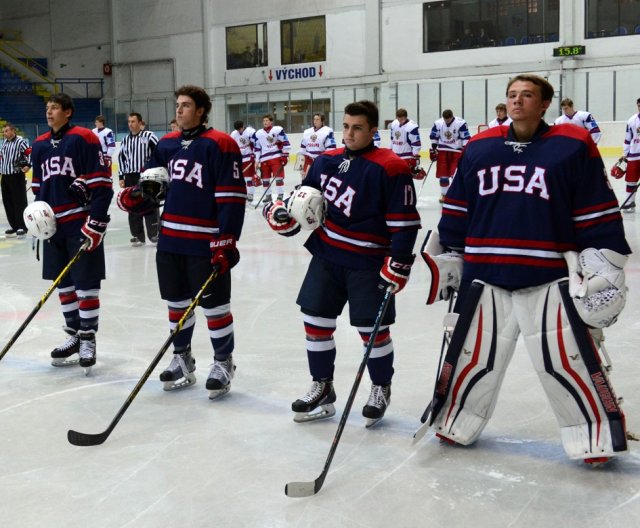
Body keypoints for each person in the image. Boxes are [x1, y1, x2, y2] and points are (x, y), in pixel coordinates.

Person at [421, 74, 630, 465]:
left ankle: (594, 434)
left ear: (545, 103)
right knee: (472, 358)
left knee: (565, 361)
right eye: (512, 95)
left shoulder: (571, 145)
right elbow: (458, 208)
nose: (517, 102)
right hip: (485, 272)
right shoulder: (480, 147)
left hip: (549, 275)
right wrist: (449, 252)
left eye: (527, 95)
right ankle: (455, 420)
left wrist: (607, 256)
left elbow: (594, 208)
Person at [263, 100, 421, 426]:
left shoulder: (391, 167)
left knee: (371, 330)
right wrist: (282, 214)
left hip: (368, 263)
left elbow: (405, 223)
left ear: (373, 131)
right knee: (316, 321)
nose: (349, 133)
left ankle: (380, 386)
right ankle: (322, 386)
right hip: (327, 256)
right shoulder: (326, 161)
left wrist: (400, 262)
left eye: (357, 128)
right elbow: (302, 199)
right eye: (346, 126)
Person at [117, 85, 245, 399]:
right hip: (171, 239)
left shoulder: (221, 144)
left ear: (201, 110)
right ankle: (182, 357)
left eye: (186, 105)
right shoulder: (166, 145)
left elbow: (231, 197)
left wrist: (226, 241)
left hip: (204, 242)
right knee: (177, 305)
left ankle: (223, 361)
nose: (179, 110)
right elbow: (154, 191)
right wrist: (137, 198)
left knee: (215, 307)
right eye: (177, 105)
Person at [29, 93, 113, 371]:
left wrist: (97, 221)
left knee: (86, 284)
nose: (49, 112)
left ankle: (88, 338)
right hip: (53, 226)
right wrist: (37, 217)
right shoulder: (39, 145)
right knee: (62, 283)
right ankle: (74, 335)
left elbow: (102, 182)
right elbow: (38, 187)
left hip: (80, 223)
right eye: (47, 108)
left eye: (54, 108)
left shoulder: (84, 138)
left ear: (68, 112)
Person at [118, 112, 160, 246]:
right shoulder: (125, 140)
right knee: (132, 205)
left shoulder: (149, 136)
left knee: (150, 204)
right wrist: (121, 176)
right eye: (129, 122)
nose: (131, 124)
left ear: (140, 123)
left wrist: (155, 169)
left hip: (147, 175)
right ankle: (137, 235)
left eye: (133, 121)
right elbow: (122, 159)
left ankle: (154, 234)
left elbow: (158, 152)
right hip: (130, 176)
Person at [429, 109, 470, 200]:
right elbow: (434, 135)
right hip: (443, 150)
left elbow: (466, 137)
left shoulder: (461, 123)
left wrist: (464, 149)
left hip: (456, 151)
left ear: (452, 116)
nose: (446, 121)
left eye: (448, 119)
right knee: (443, 175)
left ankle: (458, 194)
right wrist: (434, 146)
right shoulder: (438, 123)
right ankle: (444, 194)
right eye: (445, 119)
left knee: (455, 174)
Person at [252, 114, 291, 203]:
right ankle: (268, 196)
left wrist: (285, 155)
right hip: (264, 159)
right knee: (265, 179)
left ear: (271, 122)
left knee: (279, 178)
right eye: (264, 121)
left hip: (276, 157)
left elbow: (285, 142)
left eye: (267, 121)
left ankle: (280, 195)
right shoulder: (258, 134)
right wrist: (257, 161)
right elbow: (257, 149)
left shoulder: (277, 130)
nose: (265, 122)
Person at [0, 122, 30, 237]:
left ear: (13, 131)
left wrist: (28, 165)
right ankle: (14, 226)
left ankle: (23, 226)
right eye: (3, 131)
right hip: (5, 176)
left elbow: (29, 153)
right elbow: (2, 159)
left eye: (6, 131)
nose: (4, 133)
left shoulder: (20, 142)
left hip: (16, 176)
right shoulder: (4, 144)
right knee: (8, 202)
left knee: (19, 202)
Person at [611, 97, 640, 212]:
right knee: (631, 180)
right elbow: (628, 139)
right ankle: (630, 202)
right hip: (634, 155)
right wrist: (625, 154)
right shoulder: (632, 120)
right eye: (639, 106)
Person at [298, 113, 336, 177]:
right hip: (308, 159)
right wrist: (300, 165)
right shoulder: (307, 132)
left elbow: (331, 148)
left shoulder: (327, 131)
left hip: (320, 160)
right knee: (305, 179)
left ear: (322, 121)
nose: (315, 121)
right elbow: (303, 148)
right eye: (314, 119)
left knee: (319, 180)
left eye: (317, 119)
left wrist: (325, 160)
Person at [230, 120, 257, 203]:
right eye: (237, 130)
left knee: (249, 178)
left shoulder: (250, 132)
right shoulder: (234, 134)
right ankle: (243, 194)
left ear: (243, 126)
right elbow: (231, 145)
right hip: (239, 158)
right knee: (240, 179)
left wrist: (254, 155)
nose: (239, 131)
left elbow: (256, 143)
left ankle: (250, 195)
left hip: (249, 157)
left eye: (240, 129)